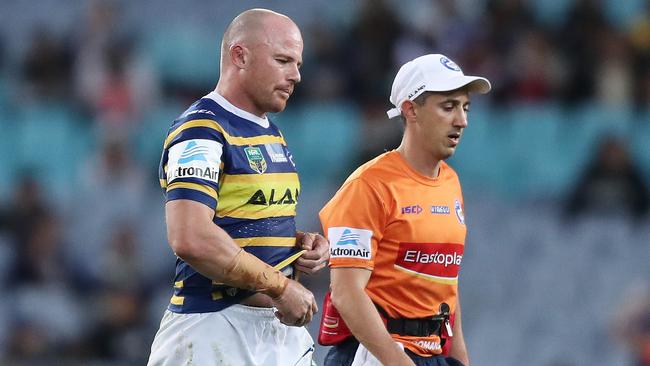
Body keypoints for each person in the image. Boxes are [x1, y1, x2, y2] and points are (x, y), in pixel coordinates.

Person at [147, 9, 329, 366]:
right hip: (213, 333)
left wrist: (298, 244)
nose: (296, 75)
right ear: (240, 55)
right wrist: (280, 286)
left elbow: (245, 221)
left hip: (277, 335)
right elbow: (191, 237)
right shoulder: (201, 130)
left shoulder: (270, 131)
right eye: (283, 60)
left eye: (298, 63)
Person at [319, 54, 491, 366]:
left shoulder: (451, 182)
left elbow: (446, 283)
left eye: (465, 107)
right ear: (410, 109)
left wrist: (460, 358)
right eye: (448, 106)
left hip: (434, 353)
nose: (462, 120)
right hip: (377, 355)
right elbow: (346, 294)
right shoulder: (369, 186)